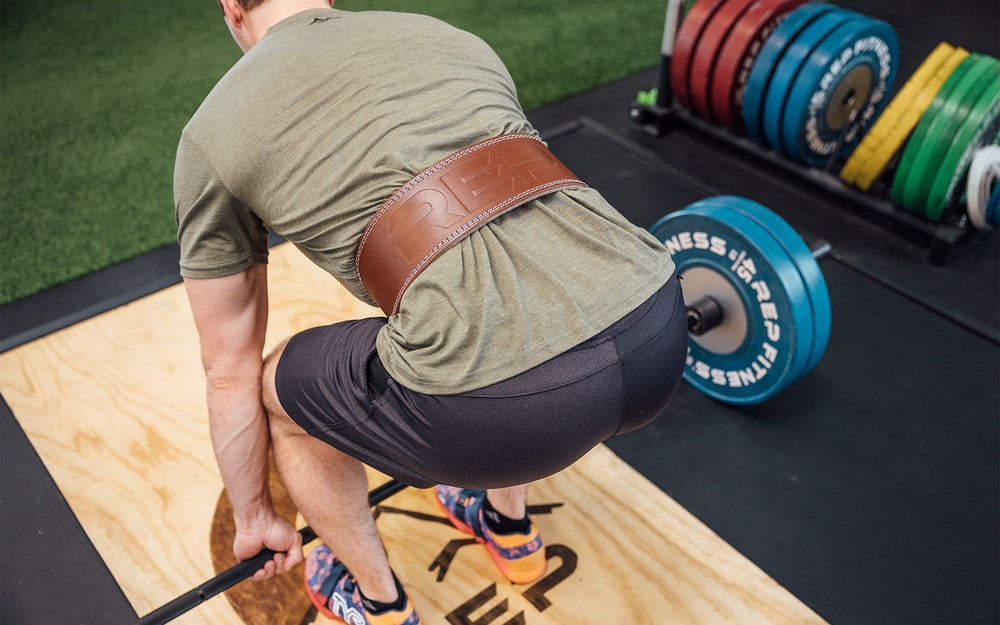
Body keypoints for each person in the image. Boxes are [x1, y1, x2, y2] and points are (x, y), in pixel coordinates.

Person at [174, 1, 687, 623]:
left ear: (231, 5)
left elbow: (227, 367)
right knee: (513, 282)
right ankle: (508, 528)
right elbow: (522, 234)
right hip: (660, 326)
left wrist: (255, 516)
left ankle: (380, 603)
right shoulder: (443, 34)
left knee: (276, 392)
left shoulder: (212, 131)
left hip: (511, 413)